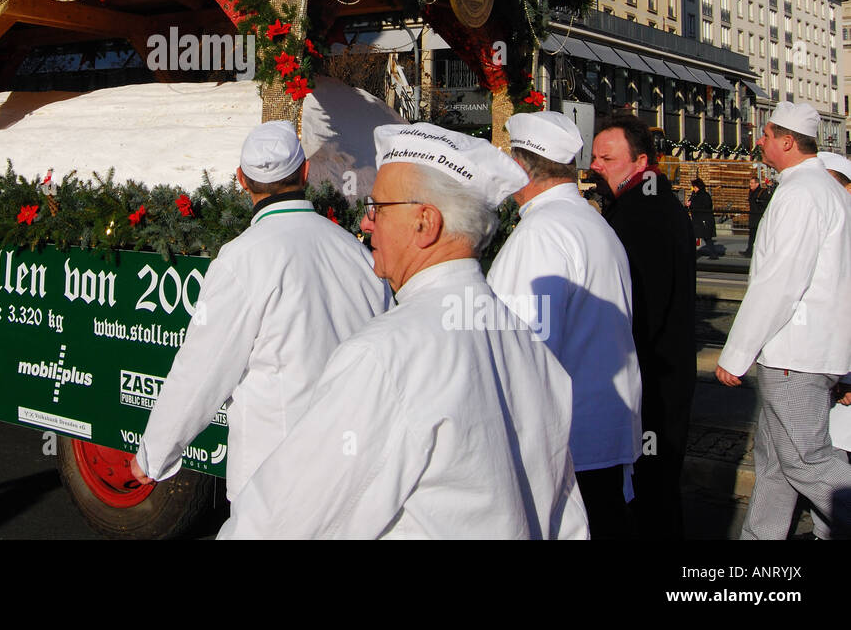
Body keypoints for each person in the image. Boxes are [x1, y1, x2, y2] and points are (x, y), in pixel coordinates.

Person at [219, 123, 588, 539]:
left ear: (424, 223)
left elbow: (282, 517)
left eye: (378, 207)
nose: (367, 221)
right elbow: (568, 519)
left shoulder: (386, 354)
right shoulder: (524, 341)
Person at [129, 121, 388, 500]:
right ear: (304, 172)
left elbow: (201, 370)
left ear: (241, 181)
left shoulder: (242, 259)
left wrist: (153, 455)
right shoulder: (355, 252)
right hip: (356, 474)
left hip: (276, 482)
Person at [487, 111, 642, 538]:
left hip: (570, 441)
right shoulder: (593, 223)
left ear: (520, 167)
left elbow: (520, 351)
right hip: (605, 430)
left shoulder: (540, 234)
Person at [715, 102, 851, 539]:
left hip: (796, 353)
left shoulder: (801, 193)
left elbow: (779, 284)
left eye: (766, 135)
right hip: (806, 351)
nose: (760, 141)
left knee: (804, 460)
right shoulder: (820, 189)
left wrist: (736, 354)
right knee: (775, 465)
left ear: (787, 141)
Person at [589, 114, 696, 539]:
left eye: (607, 158)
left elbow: (641, 310)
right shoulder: (648, 204)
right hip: (662, 374)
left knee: (651, 493)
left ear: (640, 162)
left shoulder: (642, 214)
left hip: (651, 378)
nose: (596, 165)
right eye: (594, 156)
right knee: (658, 491)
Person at [688, 177, 721, 259]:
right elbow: (692, 202)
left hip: (704, 220)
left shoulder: (704, 195)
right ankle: (712, 254)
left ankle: (713, 254)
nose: (693, 189)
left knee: (706, 238)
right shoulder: (695, 194)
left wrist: (691, 205)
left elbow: (704, 206)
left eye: (694, 187)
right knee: (699, 237)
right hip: (698, 220)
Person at [744, 174, 772, 257]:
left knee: (758, 236)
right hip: (753, 217)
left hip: (759, 217)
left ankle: (758, 252)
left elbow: (766, 203)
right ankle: (749, 251)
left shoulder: (762, 192)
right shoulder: (751, 192)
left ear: (757, 184)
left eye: (752, 183)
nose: (750, 185)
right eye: (750, 183)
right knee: (752, 235)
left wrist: (759, 203)